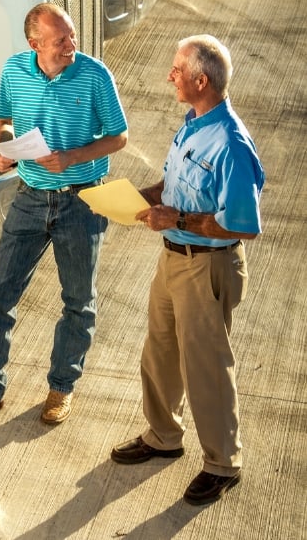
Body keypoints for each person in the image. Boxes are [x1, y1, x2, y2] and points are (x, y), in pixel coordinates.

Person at [0, 3, 128, 427]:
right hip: (29, 197)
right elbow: (3, 119)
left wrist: (74, 157)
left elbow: (119, 136)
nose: (71, 45)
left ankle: (61, 389)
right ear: (35, 45)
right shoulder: (15, 71)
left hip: (81, 200)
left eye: (72, 35)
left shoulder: (95, 74)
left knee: (78, 303)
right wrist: (2, 150)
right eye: (61, 39)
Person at [110, 35, 264, 506]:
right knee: (159, 352)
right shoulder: (193, 123)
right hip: (173, 258)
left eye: (177, 70)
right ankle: (163, 436)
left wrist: (175, 219)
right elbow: (176, 182)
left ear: (202, 80)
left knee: (207, 368)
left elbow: (242, 226)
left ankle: (222, 463)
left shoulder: (232, 145)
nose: (169, 76)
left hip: (208, 266)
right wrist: (147, 196)